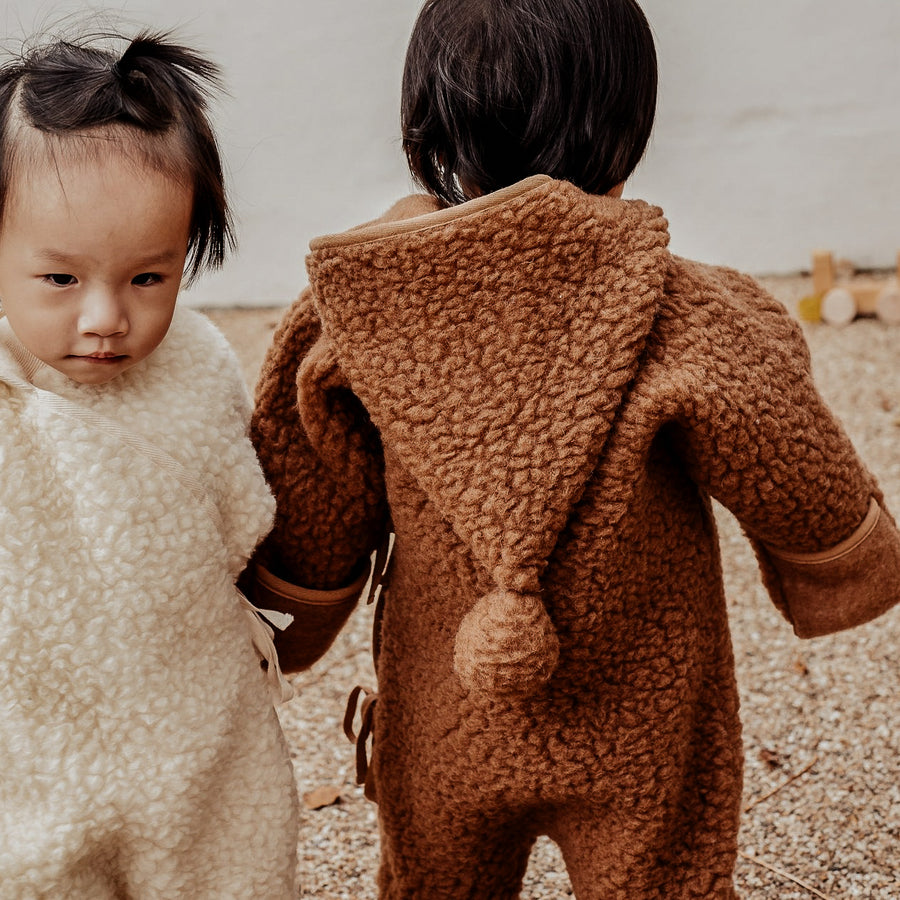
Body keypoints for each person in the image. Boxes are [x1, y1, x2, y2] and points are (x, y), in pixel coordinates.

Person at [246, 1, 900, 897]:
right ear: (627, 131)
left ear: (424, 125)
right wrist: (838, 559)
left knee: (436, 880)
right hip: (644, 712)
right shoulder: (687, 313)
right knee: (662, 880)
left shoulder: (356, 314)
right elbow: (790, 461)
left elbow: (312, 496)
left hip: (445, 707)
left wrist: (290, 612)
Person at [0, 32, 299, 898]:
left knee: (223, 865)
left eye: (148, 278)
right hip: (35, 751)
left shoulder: (202, 367)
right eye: (59, 279)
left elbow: (246, 516)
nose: (105, 316)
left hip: (196, 730)